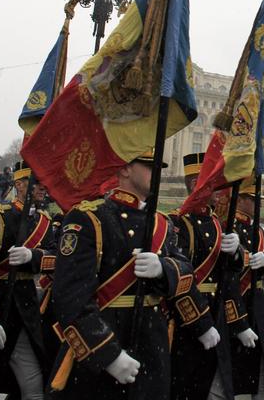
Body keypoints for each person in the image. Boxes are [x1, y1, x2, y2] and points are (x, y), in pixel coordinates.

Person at [48, 148, 218, 400]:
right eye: (151, 167)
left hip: (153, 347)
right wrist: (108, 355)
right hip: (105, 344)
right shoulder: (89, 218)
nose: (158, 174)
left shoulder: (162, 223)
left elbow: (185, 270)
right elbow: (70, 298)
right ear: (125, 168)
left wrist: (164, 269)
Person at [0, 160, 57, 400]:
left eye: (44, 183)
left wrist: (34, 256)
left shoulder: (45, 221)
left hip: (26, 309)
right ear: (19, 184)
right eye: (36, 183)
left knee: (34, 381)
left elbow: (57, 258)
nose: (42, 188)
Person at [168, 152, 243, 400]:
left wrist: (235, 254)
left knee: (204, 382)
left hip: (214, 313)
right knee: (181, 384)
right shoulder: (176, 223)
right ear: (195, 185)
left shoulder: (216, 223)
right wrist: (199, 324)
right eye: (213, 184)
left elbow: (229, 275)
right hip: (184, 320)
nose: (219, 192)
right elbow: (178, 280)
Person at [223, 177, 264, 400]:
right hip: (235, 301)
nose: (258, 204)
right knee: (230, 366)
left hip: (255, 303)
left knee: (259, 364)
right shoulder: (229, 226)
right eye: (253, 199)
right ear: (241, 200)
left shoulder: (257, 229)